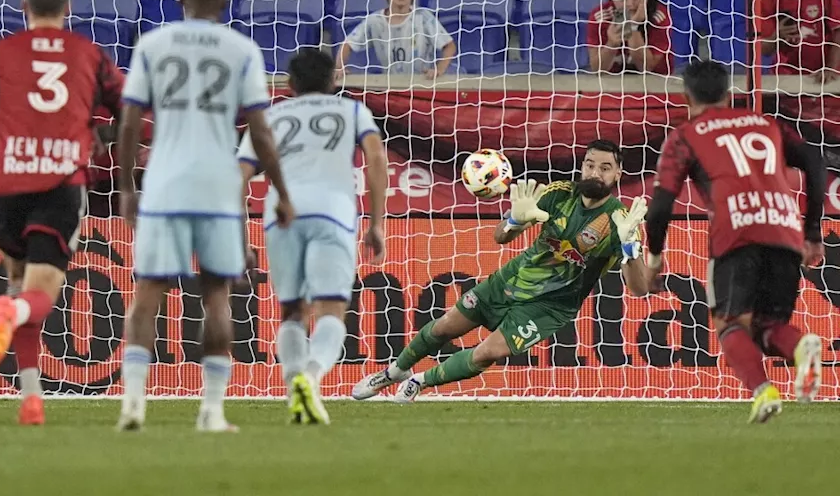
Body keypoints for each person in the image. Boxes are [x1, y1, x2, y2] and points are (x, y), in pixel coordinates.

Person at [0, 0, 125, 426]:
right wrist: (101, 132)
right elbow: (135, 111)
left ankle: (31, 397)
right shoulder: (91, 55)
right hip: (59, 184)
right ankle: (13, 312)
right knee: (38, 295)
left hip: (5, 187)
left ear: (24, 7)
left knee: (19, 280)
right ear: (68, 9)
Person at [116, 0, 295, 433]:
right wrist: (280, 191)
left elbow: (130, 123)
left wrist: (127, 187)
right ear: (224, 1)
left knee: (147, 294)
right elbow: (260, 130)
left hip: (165, 183)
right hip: (217, 186)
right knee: (218, 297)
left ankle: (133, 404)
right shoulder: (242, 50)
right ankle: (211, 412)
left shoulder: (152, 45)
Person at [352, 141, 660, 402]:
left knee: (487, 353)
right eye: (590, 164)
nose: (595, 172)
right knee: (444, 326)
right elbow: (500, 237)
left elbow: (639, 288)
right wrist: (515, 220)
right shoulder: (558, 194)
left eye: (605, 168)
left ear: (618, 174)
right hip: (510, 281)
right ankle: (393, 372)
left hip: (549, 307)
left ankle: (419, 381)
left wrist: (631, 249)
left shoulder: (621, 220)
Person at [646, 60, 826, 424]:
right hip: (784, 228)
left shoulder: (686, 135)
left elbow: (662, 203)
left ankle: (763, 391)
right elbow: (814, 161)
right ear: (729, 93)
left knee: (729, 324)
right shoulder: (766, 124)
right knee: (766, 326)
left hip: (735, 233)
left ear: (686, 97)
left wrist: (654, 254)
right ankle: (800, 347)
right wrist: (812, 232)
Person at [237, 48, 388, 425]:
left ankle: (294, 387)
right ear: (333, 81)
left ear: (289, 85)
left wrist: (240, 238)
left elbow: (237, 177)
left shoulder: (269, 117)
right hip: (332, 212)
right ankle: (312, 376)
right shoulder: (352, 110)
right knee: (331, 310)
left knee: (291, 312)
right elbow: (377, 158)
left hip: (281, 214)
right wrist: (377, 222)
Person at [335, 0, 455, 79]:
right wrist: (339, 67)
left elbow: (449, 46)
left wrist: (439, 69)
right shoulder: (374, 20)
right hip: (390, 85)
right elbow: (347, 44)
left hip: (422, 83)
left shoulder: (423, 17)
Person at [586, 0, 673, 75]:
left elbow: (646, 68)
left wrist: (633, 26)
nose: (629, 4)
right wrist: (612, 44)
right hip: (612, 80)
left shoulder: (658, 17)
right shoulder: (600, 17)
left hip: (655, 79)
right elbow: (597, 69)